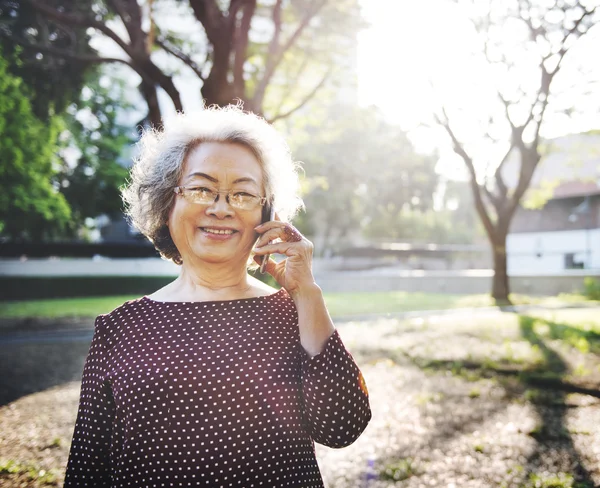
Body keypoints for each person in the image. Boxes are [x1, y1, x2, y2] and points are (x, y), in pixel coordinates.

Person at [64, 105, 371, 488]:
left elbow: (343, 426)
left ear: (267, 213)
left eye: (242, 194)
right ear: (166, 202)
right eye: (201, 188)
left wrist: (307, 294)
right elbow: (87, 469)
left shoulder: (293, 314)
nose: (221, 208)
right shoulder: (119, 330)